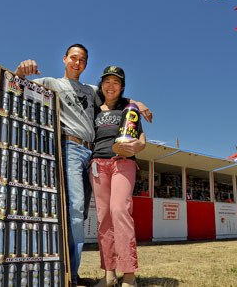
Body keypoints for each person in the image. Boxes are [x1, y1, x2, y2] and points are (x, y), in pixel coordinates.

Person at [14, 45, 152, 287]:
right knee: (78, 210)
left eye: (82, 60)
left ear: (86, 65)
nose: (77, 63)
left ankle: (113, 273)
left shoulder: (92, 91)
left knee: (98, 214)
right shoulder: (52, 83)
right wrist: (21, 70)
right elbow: (18, 83)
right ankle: (72, 274)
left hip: (93, 153)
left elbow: (116, 94)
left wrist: (137, 104)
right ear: (65, 59)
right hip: (71, 148)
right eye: (73, 58)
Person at [90, 66, 146, 287]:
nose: (110, 85)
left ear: (122, 87)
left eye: (116, 82)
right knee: (104, 218)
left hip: (122, 162)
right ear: (101, 85)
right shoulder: (94, 108)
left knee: (120, 210)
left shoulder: (128, 110)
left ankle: (129, 274)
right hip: (97, 164)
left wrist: (139, 146)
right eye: (107, 81)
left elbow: (141, 139)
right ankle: (109, 274)